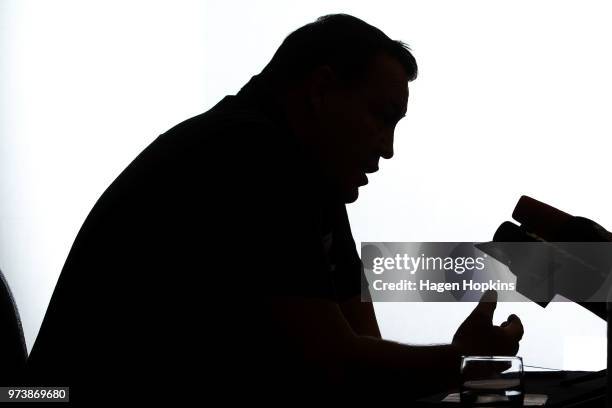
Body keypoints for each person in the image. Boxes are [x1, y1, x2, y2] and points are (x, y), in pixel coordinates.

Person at [26, 14, 523, 402]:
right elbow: (338, 366)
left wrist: (456, 362)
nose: (388, 148)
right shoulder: (252, 157)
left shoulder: (311, 175)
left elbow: (358, 357)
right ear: (321, 91)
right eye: (381, 116)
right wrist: (458, 362)